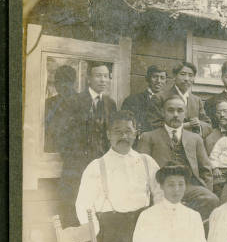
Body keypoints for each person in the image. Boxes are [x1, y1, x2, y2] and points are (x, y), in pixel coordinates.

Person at [74, 110, 162, 242]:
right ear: (108, 134)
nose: (123, 136)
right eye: (117, 131)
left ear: (136, 133)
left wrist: (156, 223)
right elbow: (83, 204)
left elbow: (159, 195)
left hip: (142, 227)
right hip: (111, 232)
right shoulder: (96, 167)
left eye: (128, 131)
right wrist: (96, 234)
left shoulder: (147, 162)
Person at [136, 95, 220, 220]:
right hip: (161, 188)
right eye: (170, 110)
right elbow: (141, 171)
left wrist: (207, 190)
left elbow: (206, 170)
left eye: (180, 110)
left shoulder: (195, 138)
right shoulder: (148, 137)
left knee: (212, 199)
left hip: (189, 187)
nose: (175, 114)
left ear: (185, 113)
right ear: (162, 112)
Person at [57, 61, 118, 225]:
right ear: (88, 78)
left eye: (106, 76)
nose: (103, 80)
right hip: (76, 168)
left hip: (100, 168)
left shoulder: (110, 104)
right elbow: (61, 135)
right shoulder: (73, 101)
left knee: (97, 210)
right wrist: (74, 159)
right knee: (73, 211)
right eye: (98, 76)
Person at [163, 61, 211, 136]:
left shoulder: (196, 100)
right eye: (182, 74)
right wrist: (185, 125)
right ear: (174, 76)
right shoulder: (161, 97)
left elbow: (208, 124)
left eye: (190, 75)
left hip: (190, 144)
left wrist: (199, 124)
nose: (186, 79)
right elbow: (155, 124)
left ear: (194, 78)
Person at [121, 65, 167, 136]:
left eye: (162, 78)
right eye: (155, 77)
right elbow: (124, 124)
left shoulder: (169, 102)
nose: (158, 81)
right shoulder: (132, 100)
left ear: (166, 81)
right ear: (148, 78)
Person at [44, 63, 76, 153]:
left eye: (66, 81)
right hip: (52, 151)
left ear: (73, 83)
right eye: (57, 82)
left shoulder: (82, 102)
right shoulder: (49, 103)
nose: (61, 86)